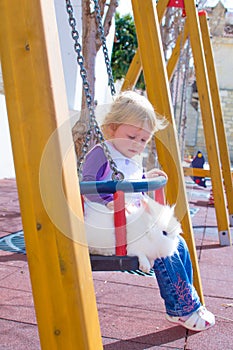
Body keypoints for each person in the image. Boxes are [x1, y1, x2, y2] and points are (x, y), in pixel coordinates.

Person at [82, 90, 215, 332]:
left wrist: (145, 177)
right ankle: (182, 309)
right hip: (104, 228)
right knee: (163, 251)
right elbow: (86, 183)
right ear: (111, 129)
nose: (137, 144)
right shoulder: (102, 153)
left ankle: (188, 300)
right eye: (132, 136)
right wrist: (106, 201)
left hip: (128, 225)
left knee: (178, 244)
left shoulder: (131, 156)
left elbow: (130, 180)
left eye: (144, 140)